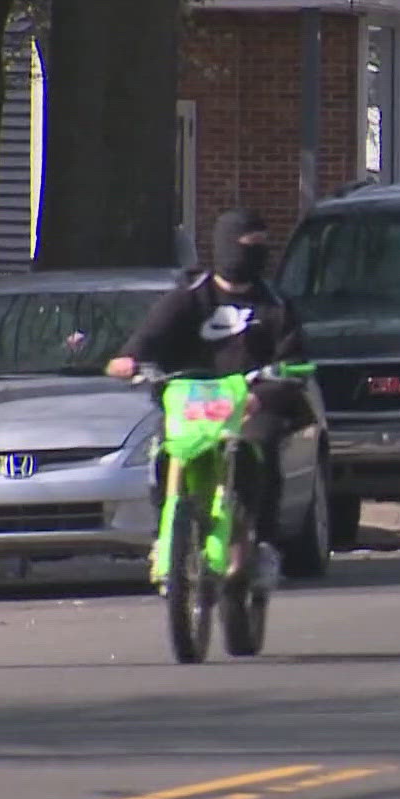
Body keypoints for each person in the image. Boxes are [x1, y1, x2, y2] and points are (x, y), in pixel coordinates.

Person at [106, 208, 311, 587]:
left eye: (260, 246)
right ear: (224, 248)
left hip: (251, 404)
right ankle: (167, 535)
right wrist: (130, 359)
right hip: (192, 404)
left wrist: (264, 394)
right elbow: (149, 338)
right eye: (246, 245)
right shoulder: (189, 299)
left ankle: (260, 543)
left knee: (257, 451)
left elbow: (293, 362)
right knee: (165, 454)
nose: (254, 254)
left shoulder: (276, 306)